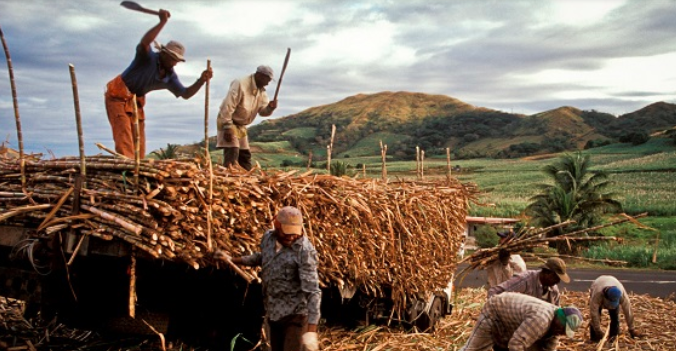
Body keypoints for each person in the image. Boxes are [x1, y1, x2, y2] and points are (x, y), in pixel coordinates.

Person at [105, 9, 212, 158]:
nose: (174, 63)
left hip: (136, 102)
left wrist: (201, 81)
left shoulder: (170, 76)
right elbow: (144, 43)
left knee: (139, 143)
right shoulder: (147, 58)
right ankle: (128, 169)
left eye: (176, 60)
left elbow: (185, 94)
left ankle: (138, 168)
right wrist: (162, 22)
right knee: (124, 137)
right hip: (117, 95)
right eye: (172, 58)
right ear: (163, 53)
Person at [215, 206, 321, 351]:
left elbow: (313, 291)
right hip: (273, 313)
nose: (291, 237)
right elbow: (261, 257)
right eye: (287, 233)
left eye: (294, 233)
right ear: (277, 226)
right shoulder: (268, 239)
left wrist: (311, 330)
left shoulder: (304, 252)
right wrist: (232, 260)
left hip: (296, 316)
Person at [459, 292, 583, 351]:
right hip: (495, 311)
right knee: (473, 349)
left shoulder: (555, 329)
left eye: (565, 332)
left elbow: (550, 348)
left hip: (511, 321)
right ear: (559, 320)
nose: (561, 333)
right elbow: (516, 345)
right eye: (562, 329)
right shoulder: (541, 320)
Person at [216, 65, 278, 170]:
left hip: (241, 126)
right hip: (229, 121)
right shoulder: (240, 84)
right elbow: (228, 105)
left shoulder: (261, 91)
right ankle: (229, 178)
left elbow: (263, 111)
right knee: (233, 151)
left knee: (244, 154)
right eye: (267, 80)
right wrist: (227, 127)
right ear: (259, 76)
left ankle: (247, 178)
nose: (268, 83)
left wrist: (270, 108)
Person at [487, 257, 569, 305]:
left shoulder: (554, 290)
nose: (557, 282)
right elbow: (494, 291)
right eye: (556, 277)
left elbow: (556, 312)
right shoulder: (525, 280)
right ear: (546, 272)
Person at [589, 275, 642, 342]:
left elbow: (628, 310)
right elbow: (594, 313)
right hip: (598, 283)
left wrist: (632, 329)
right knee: (596, 316)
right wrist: (598, 330)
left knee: (615, 317)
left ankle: (613, 338)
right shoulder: (597, 294)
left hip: (612, 282)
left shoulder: (621, 294)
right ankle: (594, 338)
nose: (611, 307)